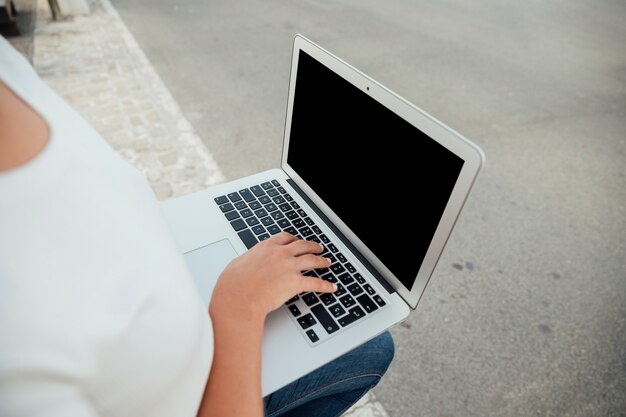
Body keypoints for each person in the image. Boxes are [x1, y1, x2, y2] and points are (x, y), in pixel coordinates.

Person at [0, 35, 394, 417]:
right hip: (206, 387)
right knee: (376, 347)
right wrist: (238, 307)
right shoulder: (16, 367)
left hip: (185, 322)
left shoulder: (8, 65)